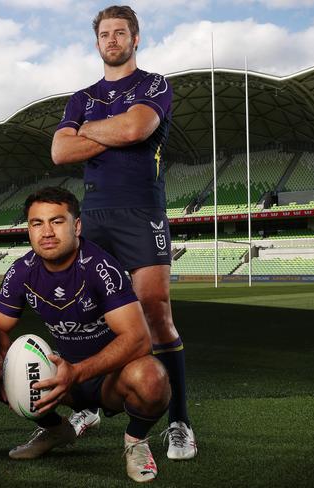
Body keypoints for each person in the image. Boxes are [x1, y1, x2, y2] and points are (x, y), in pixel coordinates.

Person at [0, 187, 170, 483]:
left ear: (76, 226)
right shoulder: (22, 271)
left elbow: (138, 338)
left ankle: (136, 441)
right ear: (29, 229)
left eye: (57, 221)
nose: (46, 232)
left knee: (152, 377)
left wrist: (77, 372)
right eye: (37, 223)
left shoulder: (101, 267)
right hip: (59, 376)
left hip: (110, 377)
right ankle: (57, 429)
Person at [51, 6, 197, 460]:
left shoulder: (153, 85)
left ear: (136, 39)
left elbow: (138, 127)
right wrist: (113, 131)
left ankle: (179, 422)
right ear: (96, 42)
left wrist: (89, 133)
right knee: (90, 312)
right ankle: (92, 402)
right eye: (105, 34)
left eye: (120, 33)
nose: (112, 39)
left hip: (142, 211)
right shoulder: (83, 96)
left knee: (154, 311)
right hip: (93, 213)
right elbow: (59, 151)